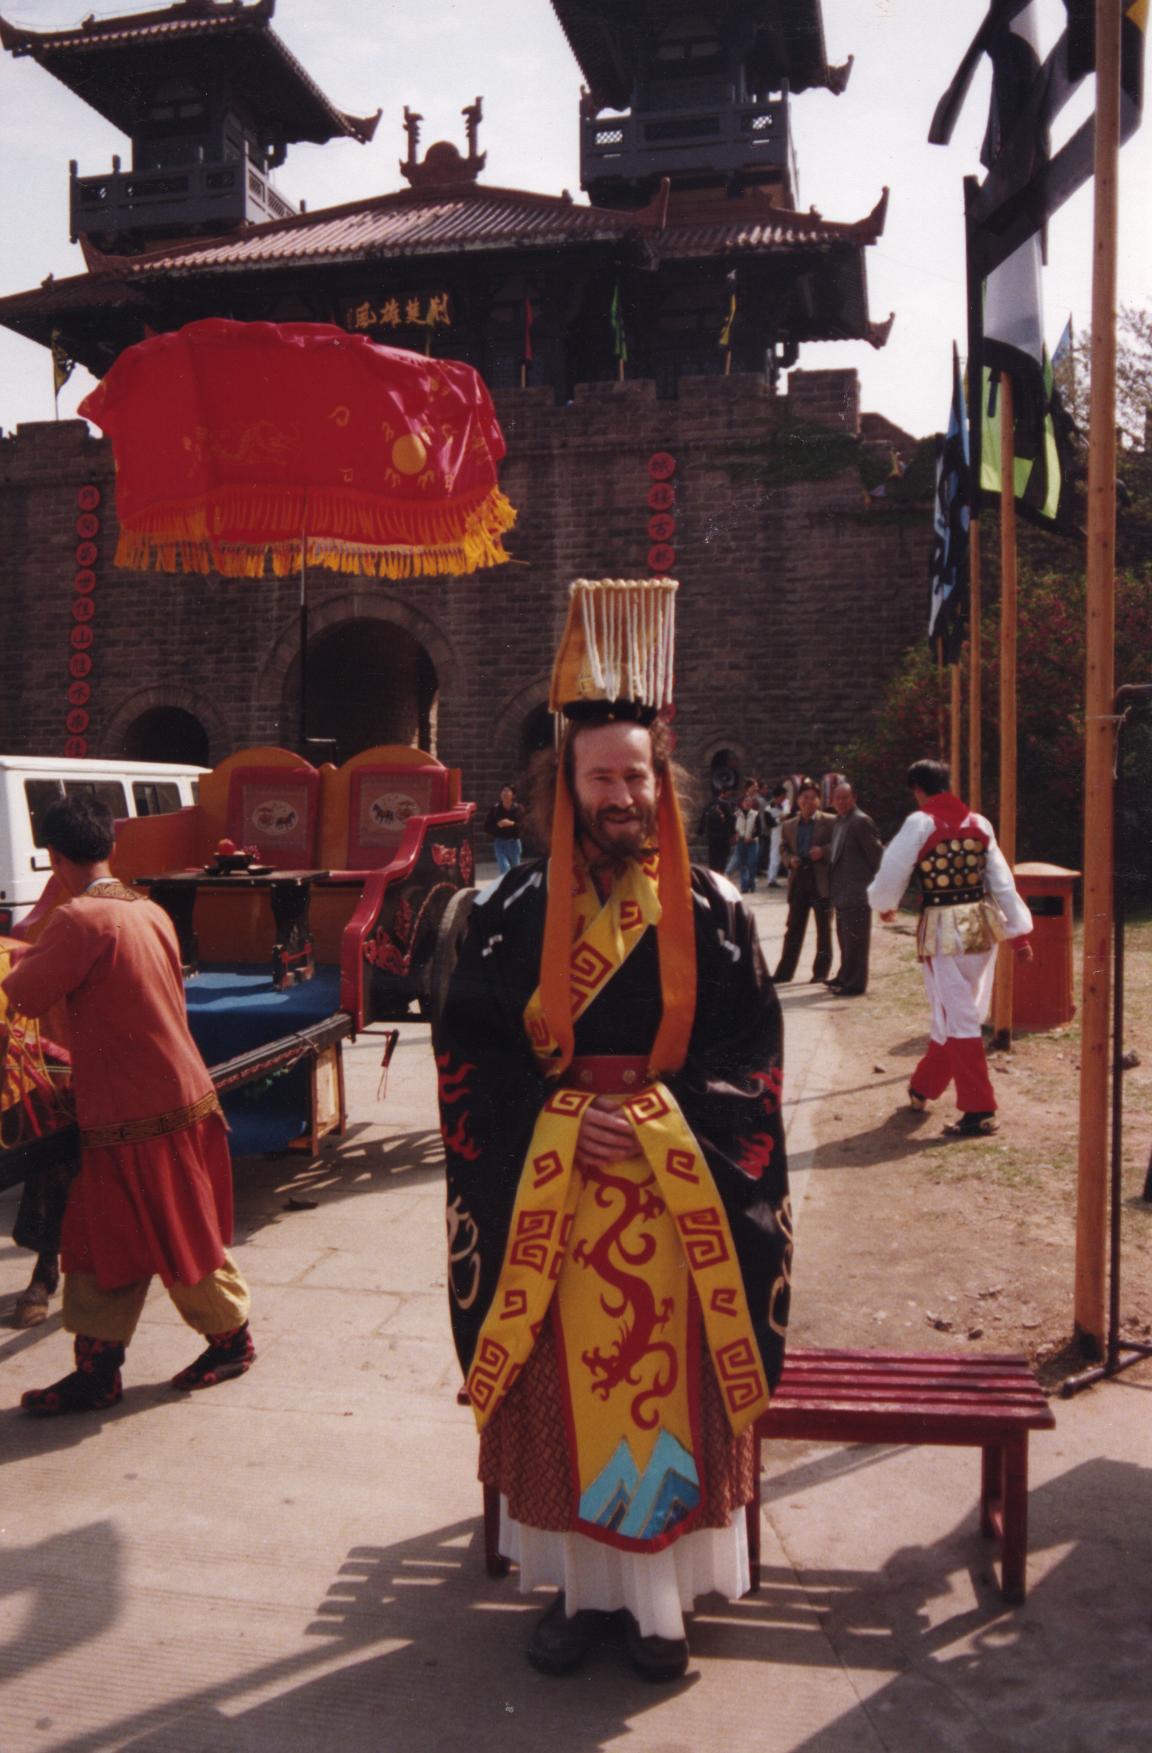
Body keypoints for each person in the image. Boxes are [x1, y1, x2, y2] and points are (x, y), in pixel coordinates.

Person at [439, 578, 791, 1683]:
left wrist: (657, 1123)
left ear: (661, 780)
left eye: (638, 775)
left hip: (680, 1200)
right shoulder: (505, 916)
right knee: (565, 1398)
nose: (622, 795)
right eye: (602, 777)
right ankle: (583, 1596)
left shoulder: (715, 909)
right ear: (567, 785)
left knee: (663, 1396)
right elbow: (470, 1057)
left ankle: (661, 1609)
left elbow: (753, 1058)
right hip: (556, 1203)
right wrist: (556, 1119)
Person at [1, 795, 255, 1414]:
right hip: (162, 1098)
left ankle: (233, 1342)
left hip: (138, 1111)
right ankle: (97, 1372)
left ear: (54, 856)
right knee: (97, 1242)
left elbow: (23, 995)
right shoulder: (148, 909)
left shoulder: (78, 920)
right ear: (109, 847)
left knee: (180, 1239)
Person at [868, 758, 1033, 1137]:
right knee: (959, 1013)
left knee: (957, 1017)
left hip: (943, 933)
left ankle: (979, 1109)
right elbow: (1002, 882)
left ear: (917, 789)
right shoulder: (980, 823)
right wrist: (1019, 934)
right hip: (981, 928)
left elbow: (892, 871)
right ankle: (924, 1087)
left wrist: (884, 903)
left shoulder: (920, 822)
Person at [826, 781, 884, 996]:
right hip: (842, 891)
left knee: (856, 941)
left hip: (858, 891)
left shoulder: (861, 821)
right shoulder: (840, 821)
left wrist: (876, 886)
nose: (841, 802)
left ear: (854, 798)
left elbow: (876, 856)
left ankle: (855, 983)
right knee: (845, 938)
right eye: (837, 798)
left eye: (845, 797)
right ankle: (844, 976)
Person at [773, 781, 835, 984]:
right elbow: (783, 848)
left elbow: (839, 845)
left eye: (812, 798)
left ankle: (820, 973)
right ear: (797, 800)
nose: (807, 802)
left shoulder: (830, 821)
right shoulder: (789, 825)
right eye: (804, 797)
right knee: (793, 928)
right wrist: (789, 860)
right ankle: (784, 972)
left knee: (823, 928)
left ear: (819, 801)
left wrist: (823, 852)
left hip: (820, 879)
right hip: (799, 877)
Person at [485, 784, 525, 875]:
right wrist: (498, 825)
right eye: (503, 791)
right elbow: (487, 827)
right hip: (500, 843)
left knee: (515, 872)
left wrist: (512, 823)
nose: (505, 793)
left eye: (507, 791)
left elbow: (524, 827)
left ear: (513, 795)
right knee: (505, 869)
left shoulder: (519, 809)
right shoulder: (495, 809)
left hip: (514, 843)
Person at [732, 783, 763, 894]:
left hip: (752, 842)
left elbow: (759, 830)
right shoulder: (736, 814)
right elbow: (731, 827)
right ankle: (744, 886)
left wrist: (752, 837)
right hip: (741, 841)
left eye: (750, 802)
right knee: (743, 864)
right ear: (742, 803)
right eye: (746, 802)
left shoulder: (755, 814)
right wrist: (735, 834)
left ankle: (751, 884)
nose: (748, 804)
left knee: (752, 863)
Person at [697, 783, 735, 873]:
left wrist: (700, 831)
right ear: (722, 793)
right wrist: (733, 833)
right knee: (723, 857)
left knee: (713, 857)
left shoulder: (709, 804)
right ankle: (720, 873)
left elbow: (703, 819)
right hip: (723, 835)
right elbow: (730, 819)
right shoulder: (726, 804)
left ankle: (713, 873)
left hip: (712, 835)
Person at [764, 785, 790, 887]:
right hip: (777, 833)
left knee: (790, 853)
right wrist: (779, 819)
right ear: (776, 797)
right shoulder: (768, 808)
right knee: (775, 855)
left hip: (789, 831)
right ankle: (771, 879)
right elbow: (769, 824)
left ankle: (791, 878)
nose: (784, 799)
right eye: (782, 797)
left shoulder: (787, 804)